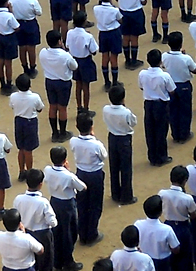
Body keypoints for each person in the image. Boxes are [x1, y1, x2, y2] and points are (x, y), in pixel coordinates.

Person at [44, 146, 86, 271]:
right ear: (65, 160)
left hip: (54, 202)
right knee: (69, 233)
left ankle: (57, 260)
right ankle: (68, 261)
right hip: (67, 205)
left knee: (57, 232)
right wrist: (68, 170)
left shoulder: (47, 170)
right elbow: (82, 187)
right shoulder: (68, 176)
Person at [71, 111, 108, 245]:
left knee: (82, 204)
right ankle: (92, 233)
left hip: (80, 174)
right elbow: (104, 156)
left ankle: (83, 233)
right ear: (91, 127)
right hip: (95, 175)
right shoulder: (96, 144)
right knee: (95, 205)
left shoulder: (73, 141)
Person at [139, 49, 177, 165]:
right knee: (161, 131)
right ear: (160, 61)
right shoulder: (164, 75)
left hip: (148, 104)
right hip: (161, 104)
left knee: (150, 130)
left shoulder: (142, 74)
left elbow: (141, 87)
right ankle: (161, 157)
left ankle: (152, 156)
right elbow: (172, 91)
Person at [101, 85, 137, 205]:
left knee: (114, 166)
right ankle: (127, 196)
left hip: (112, 138)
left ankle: (115, 194)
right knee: (126, 168)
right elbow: (133, 122)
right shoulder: (126, 112)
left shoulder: (106, 109)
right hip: (124, 140)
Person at [158, 166, 196, 271]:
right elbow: (193, 215)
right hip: (183, 228)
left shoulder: (162, 193)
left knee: (170, 254)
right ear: (185, 181)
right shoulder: (187, 198)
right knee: (186, 255)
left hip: (168, 225)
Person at [135, 195, 180, 271]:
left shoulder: (138, 224)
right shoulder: (166, 229)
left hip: (144, 259)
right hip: (162, 262)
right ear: (160, 212)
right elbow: (176, 249)